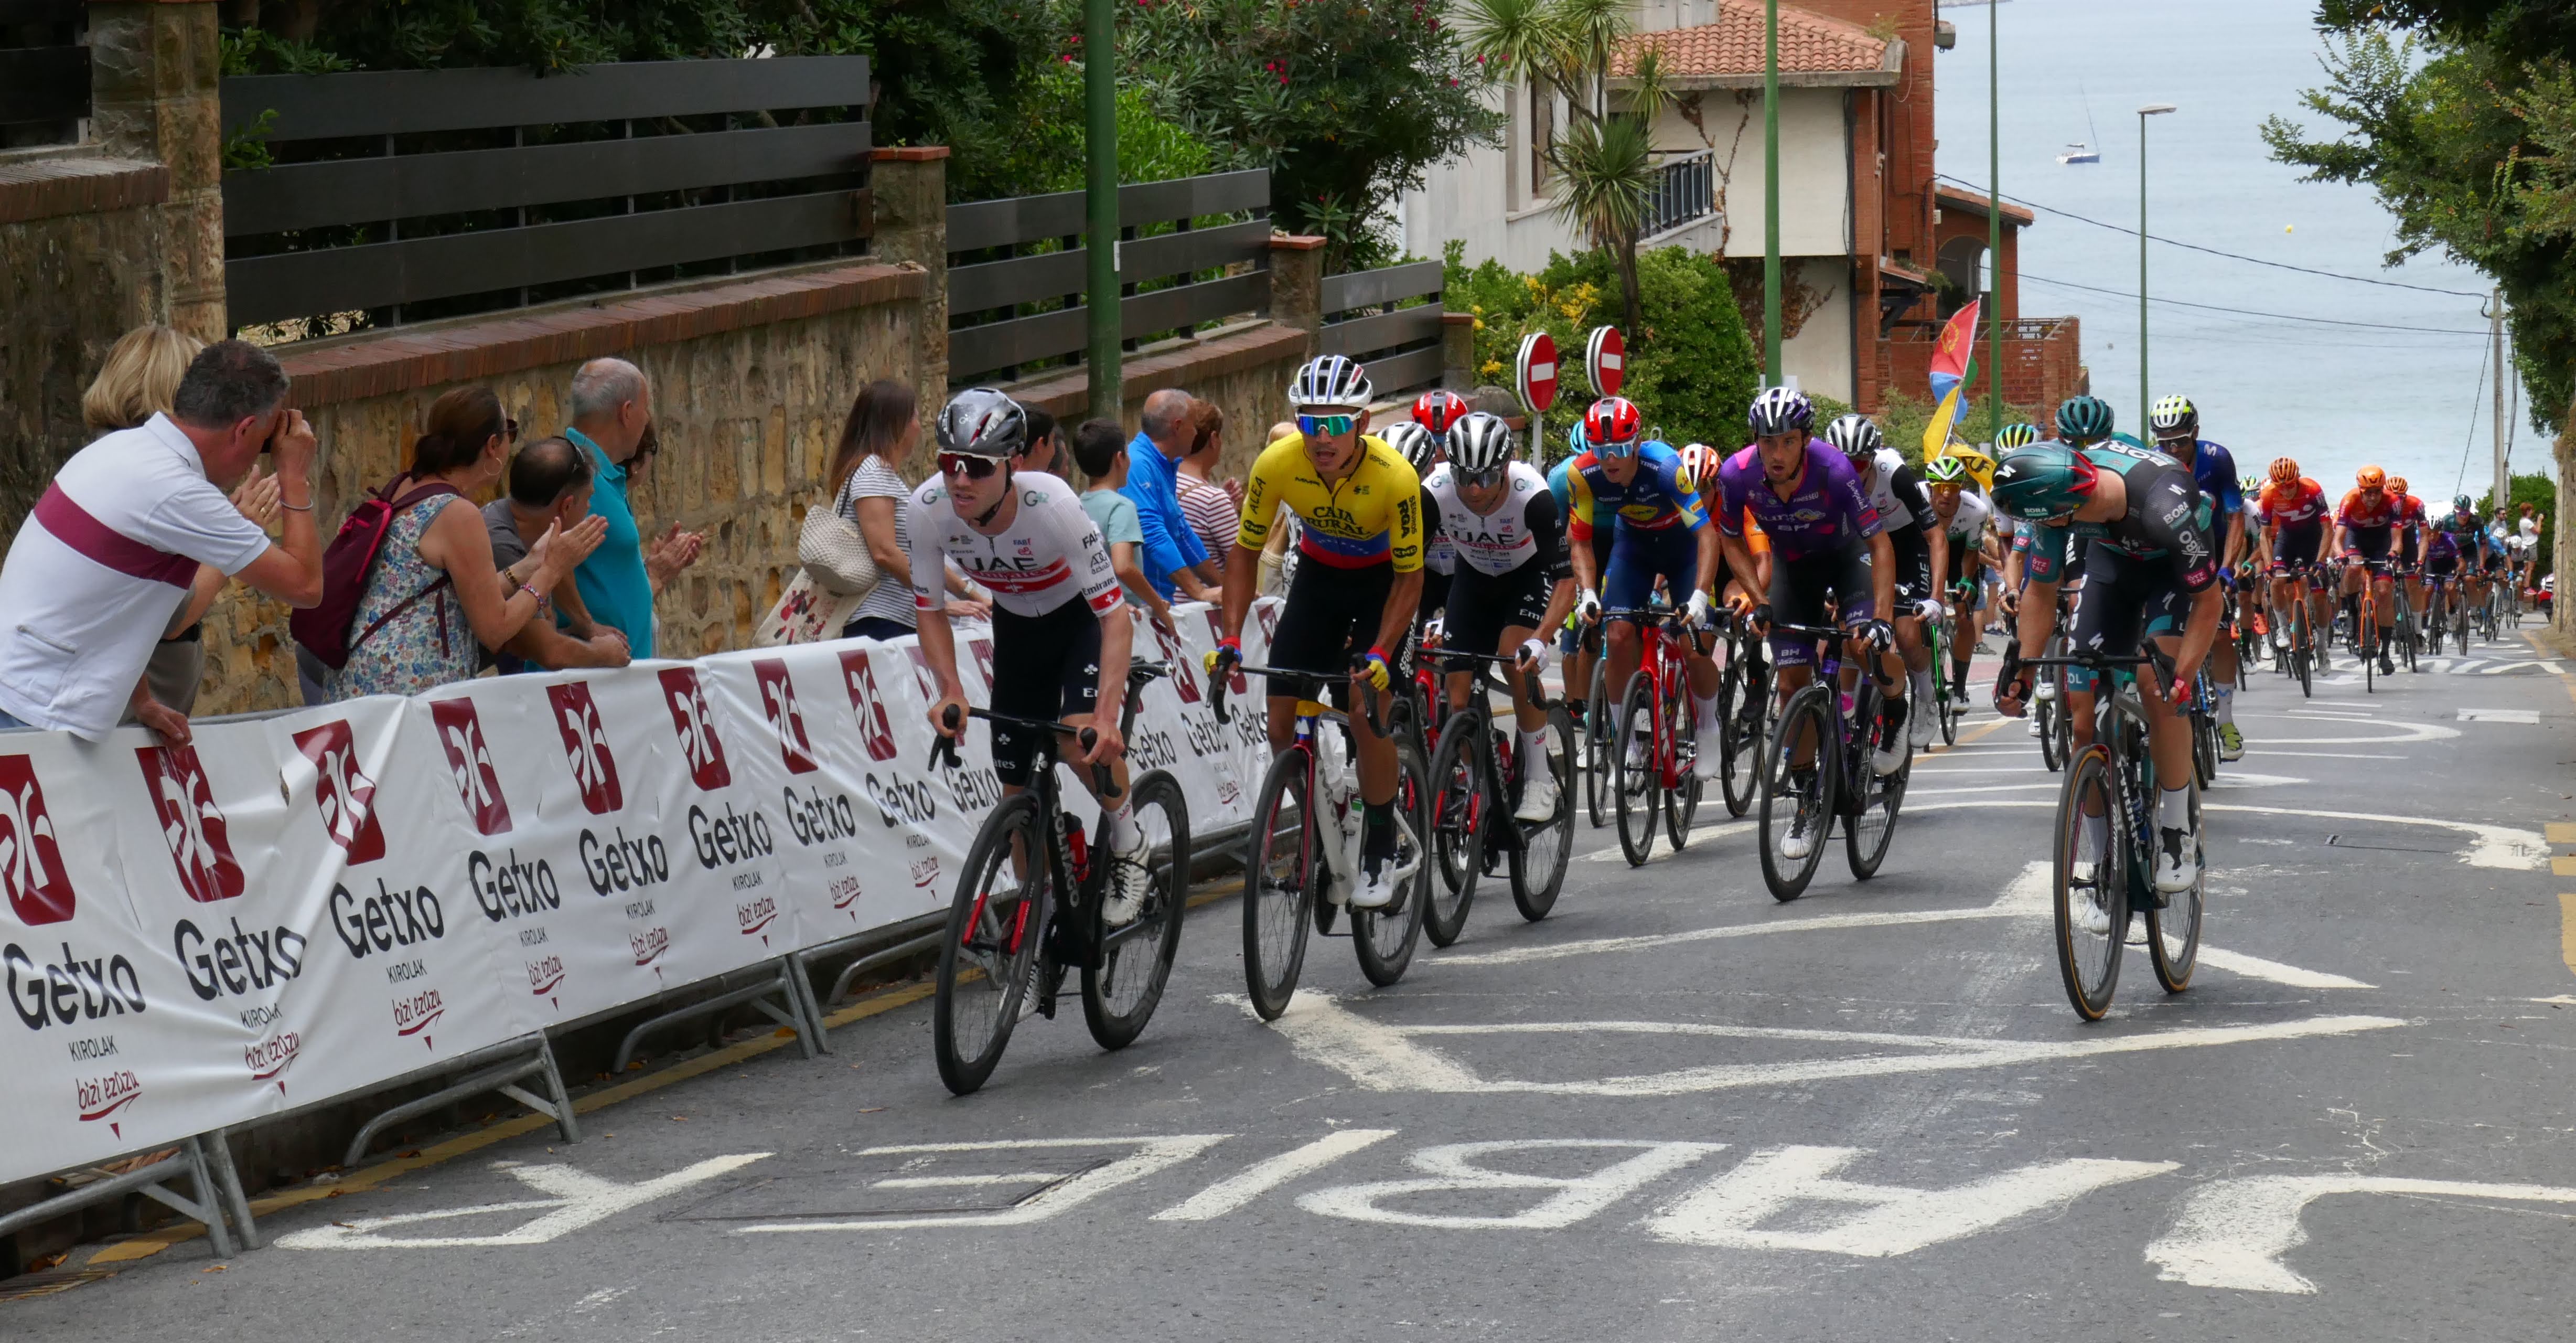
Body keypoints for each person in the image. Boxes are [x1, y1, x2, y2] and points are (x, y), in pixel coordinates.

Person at [0, 339, 327, 741]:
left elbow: (117, 603)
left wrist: (142, 701)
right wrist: (293, 475)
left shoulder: (122, 450)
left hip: (20, 691)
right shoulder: (177, 491)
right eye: (265, 446)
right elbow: (306, 588)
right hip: (35, 714)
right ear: (243, 430)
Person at [911, 389, 1152, 923]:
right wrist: (949, 688)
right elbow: (928, 608)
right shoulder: (925, 510)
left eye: (976, 466)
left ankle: (1129, 841)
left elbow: (1114, 616)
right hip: (1016, 626)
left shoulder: (1054, 507)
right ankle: (1036, 924)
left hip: (1078, 622)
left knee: (1075, 737)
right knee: (1015, 789)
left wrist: (1107, 718)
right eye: (949, 463)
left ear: (1014, 464)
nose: (960, 480)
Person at [1211, 355, 1426, 909]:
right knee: (1280, 718)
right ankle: (1320, 822)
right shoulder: (1277, 463)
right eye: (1310, 423)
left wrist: (1380, 651)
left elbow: (1410, 577)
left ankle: (1381, 841)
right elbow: (1243, 552)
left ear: (1362, 424)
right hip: (1318, 578)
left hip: (1381, 585)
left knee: (1363, 707)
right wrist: (1230, 638)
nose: (1320, 437)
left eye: (1334, 424)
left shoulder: (1395, 477)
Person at [1992, 429, 2223, 901]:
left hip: (2171, 571)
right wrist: (2024, 667)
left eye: (2054, 522)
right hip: (2112, 565)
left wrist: (2186, 674)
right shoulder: (2056, 501)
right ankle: (2100, 865)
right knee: (2083, 720)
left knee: (2158, 687)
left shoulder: (2167, 506)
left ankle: (2178, 830)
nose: (2050, 528)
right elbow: (2040, 590)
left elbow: (2208, 600)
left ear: (2070, 505)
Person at [1712, 387, 1897, 857]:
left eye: (1788, 442)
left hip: (1845, 559)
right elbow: (1730, 539)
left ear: (1806, 439)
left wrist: (1882, 619)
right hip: (1793, 570)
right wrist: (1758, 600)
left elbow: (1879, 545)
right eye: (1767, 442)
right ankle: (1807, 802)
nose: (1776, 454)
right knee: (1793, 684)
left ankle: (1895, 707)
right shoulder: (1736, 475)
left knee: (1861, 646)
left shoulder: (1834, 470)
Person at [329, 387, 605, 700]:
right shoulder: (459, 514)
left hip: (370, 676)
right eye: (509, 432)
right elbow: (495, 629)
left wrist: (531, 565)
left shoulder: (409, 485)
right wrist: (553, 569)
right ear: (492, 445)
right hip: (407, 688)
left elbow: (454, 594)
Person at [78, 324, 283, 718]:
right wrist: (236, 538)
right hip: (121, 715)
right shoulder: (155, 479)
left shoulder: (106, 457)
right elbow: (173, 617)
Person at [1421, 412, 1575, 821]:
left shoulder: (1533, 497)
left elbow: (1566, 582)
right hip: (1472, 577)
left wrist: (1541, 638)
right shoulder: (1434, 492)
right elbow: (1403, 567)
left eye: (1486, 478)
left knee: (1514, 656)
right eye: (1464, 477)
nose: (1473, 489)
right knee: (1457, 696)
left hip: (1527, 576)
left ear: (1507, 467)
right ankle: (1479, 785)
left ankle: (1540, 780)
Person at [1563, 395, 1726, 780]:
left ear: (1637, 444)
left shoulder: (1666, 467)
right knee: (1616, 635)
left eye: (1620, 449)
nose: (1611, 460)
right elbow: (1581, 541)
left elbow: (1706, 535)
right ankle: (1628, 746)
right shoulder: (1581, 475)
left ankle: (1707, 727)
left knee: (1694, 643)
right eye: (1601, 450)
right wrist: (1587, 592)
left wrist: (1701, 596)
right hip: (1633, 549)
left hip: (1682, 550)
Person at [823, 379, 988, 642]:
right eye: (915, 417)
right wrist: (937, 603)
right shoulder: (873, 471)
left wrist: (973, 596)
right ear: (897, 424)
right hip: (881, 622)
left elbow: (920, 557)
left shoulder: (880, 473)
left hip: (893, 621)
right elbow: (886, 553)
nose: (919, 427)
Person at [563, 358, 704, 657]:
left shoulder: (603, 473)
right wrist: (586, 625)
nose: (647, 417)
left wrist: (653, 570)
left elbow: (601, 573)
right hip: (595, 684)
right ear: (627, 413)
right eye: (645, 408)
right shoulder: (572, 473)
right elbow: (548, 558)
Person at [1823, 413, 1938, 751]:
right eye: (1845, 463)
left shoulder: (1894, 474)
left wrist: (1935, 598)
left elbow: (1936, 539)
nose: (1852, 471)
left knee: (1904, 632)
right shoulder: (1825, 478)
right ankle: (1845, 712)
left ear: (1873, 458)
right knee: (1845, 632)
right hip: (1863, 545)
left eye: (1859, 463)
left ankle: (1926, 694)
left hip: (1905, 542)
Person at [484, 436, 632, 672]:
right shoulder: (502, 548)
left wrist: (587, 625)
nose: (590, 508)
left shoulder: (525, 523)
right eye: (589, 499)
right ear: (566, 506)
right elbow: (549, 651)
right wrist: (603, 654)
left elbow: (556, 567)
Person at [2149, 396, 2246, 758]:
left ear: (2196, 435)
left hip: (2214, 544)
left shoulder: (2217, 460)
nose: (2173, 449)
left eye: (2181, 441)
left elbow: (2235, 517)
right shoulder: (2153, 462)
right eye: (2165, 442)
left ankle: (2226, 720)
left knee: (2221, 638)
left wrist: (2227, 569)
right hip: (2173, 550)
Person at [1072, 418, 1176, 632]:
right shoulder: (1122, 507)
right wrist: (1159, 605)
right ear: (1120, 458)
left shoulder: (1076, 505)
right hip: (1120, 614)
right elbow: (1123, 566)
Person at [1121, 388, 1218, 603]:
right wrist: (1198, 591)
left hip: (1162, 600)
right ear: (1177, 427)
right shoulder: (1138, 465)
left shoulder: (1166, 463)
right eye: (1194, 425)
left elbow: (1182, 532)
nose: (1196, 432)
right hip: (1144, 606)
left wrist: (1224, 589)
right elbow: (1152, 532)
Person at [1921, 454, 1994, 702]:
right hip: (1923, 552)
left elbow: (1972, 551)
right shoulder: (1913, 498)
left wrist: (1965, 581)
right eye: (1940, 488)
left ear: (1961, 489)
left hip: (1958, 554)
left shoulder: (1976, 511)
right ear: (1929, 488)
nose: (1946, 495)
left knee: (1964, 616)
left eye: (1952, 488)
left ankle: (1960, 689)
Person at [2258, 457, 2333, 669]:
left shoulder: (2313, 490)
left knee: (2319, 596)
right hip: (2288, 538)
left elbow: (2328, 529)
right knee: (2276, 582)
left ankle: (2322, 647)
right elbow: (2264, 535)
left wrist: (2320, 561)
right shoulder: (2268, 495)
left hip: (2313, 538)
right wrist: (2270, 565)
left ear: (2298, 479)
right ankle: (2283, 628)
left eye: (2290, 485)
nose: (2286, 491)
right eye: (2280, 486)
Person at [2334, 465, 2400, 676]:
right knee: (2353, 568)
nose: (2373, 497)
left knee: (2384, 591)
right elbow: (2338, 539)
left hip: (2382, 542)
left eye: (2377, 492)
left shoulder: (2393, 502)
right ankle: (2351, 612)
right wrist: (2341, 555)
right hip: (2356, 538)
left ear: (2383, 489)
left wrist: (2393, 554)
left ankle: (2386, 653)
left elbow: (2397, 541)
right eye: (2368, 493)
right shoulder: (2349, 500)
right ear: (2360, 490)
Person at [1175, 399, 1243, 573]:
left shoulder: (1164, 482)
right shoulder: (1213, 500)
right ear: (1213, 439)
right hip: (1206, 598)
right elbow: (1241, 566)